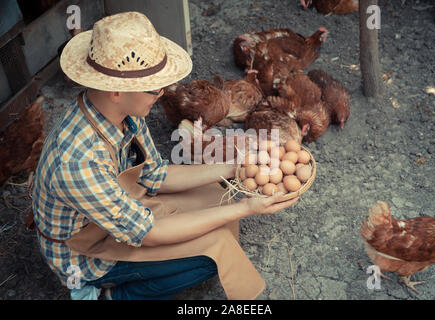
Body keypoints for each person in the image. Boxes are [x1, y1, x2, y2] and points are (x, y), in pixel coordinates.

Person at [31, 12, 298, 300]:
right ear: (117, 91)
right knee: (214, 254)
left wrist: (235, 166)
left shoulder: (122, 113)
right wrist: (247, 209)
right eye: (154, 87)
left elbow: (154, 175)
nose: (162, 93)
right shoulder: (78, 161)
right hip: (85, 252)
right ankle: (113, 296)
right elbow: (148, 232)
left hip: (120, 210)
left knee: (215, 197)